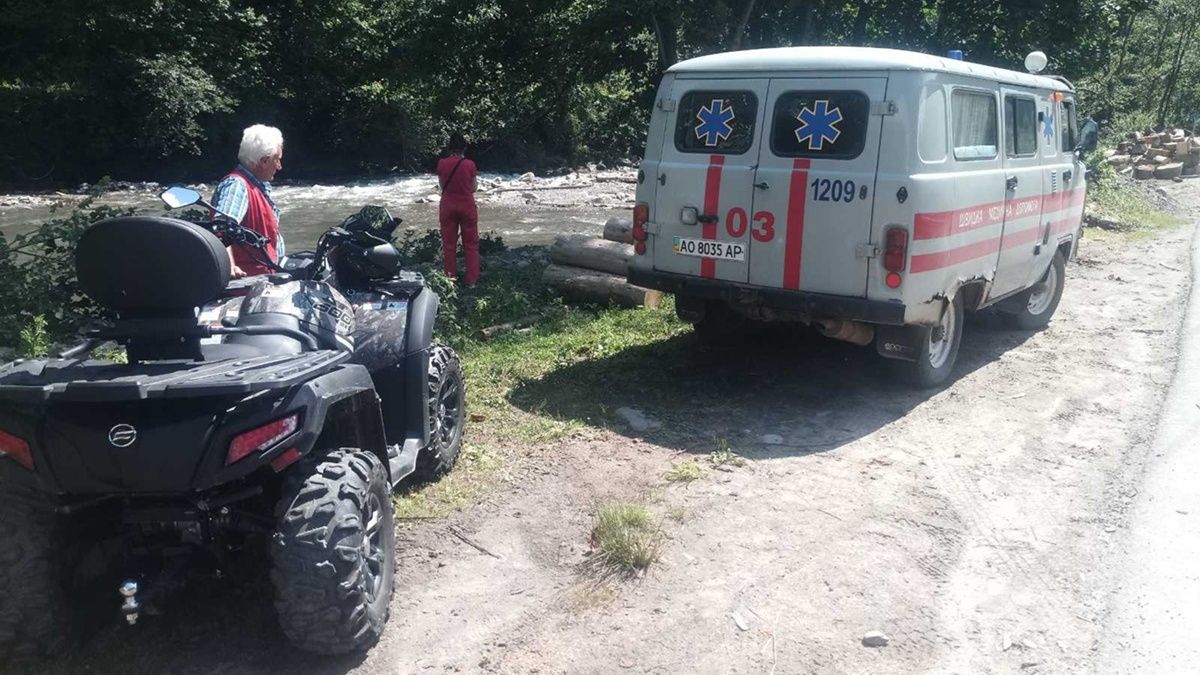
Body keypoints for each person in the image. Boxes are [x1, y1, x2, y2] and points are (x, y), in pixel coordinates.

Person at [211, 124, 286, 277]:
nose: (279, 166)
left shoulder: (259, 185)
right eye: (277, 159)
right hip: (246, 285)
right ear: (264, 161)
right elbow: (221, 229)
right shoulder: (237, 185)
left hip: (265, 277)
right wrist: (229, 267)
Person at [436, 133, 479, 286]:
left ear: (449, 148)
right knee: (471, 246)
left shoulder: (441, 163)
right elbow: (473, 188)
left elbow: (442, 186)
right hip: (467, 206)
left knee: (449, 245)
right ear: (464, 148)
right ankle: (472, 281)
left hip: (447, 207)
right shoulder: (470, 164)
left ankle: (450, 280)